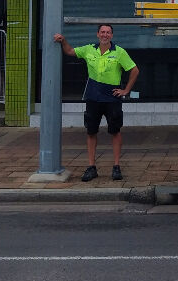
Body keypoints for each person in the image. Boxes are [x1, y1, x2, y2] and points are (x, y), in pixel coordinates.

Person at [53, 24, 138, 182]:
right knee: (91, 132)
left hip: (112, 98)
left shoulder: (119, 52)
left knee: (115, 131)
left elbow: (134, 70)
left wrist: (125, 90)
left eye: (108, 32)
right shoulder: (88, 49)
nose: (105, 35)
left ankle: (116, 167)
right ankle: (91, 167)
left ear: (112, 35)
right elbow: (70, 51)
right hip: (93, 98)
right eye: (102, 32)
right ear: (97, 34)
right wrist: (63, 40)